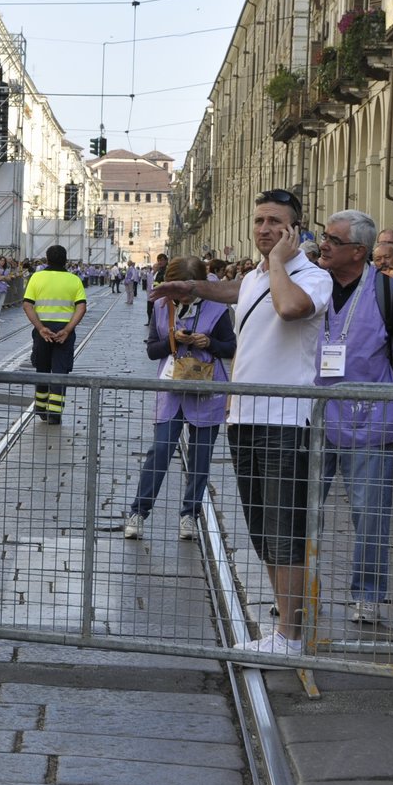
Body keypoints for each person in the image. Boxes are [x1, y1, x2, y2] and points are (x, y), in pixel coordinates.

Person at [151, 189, 333, 660]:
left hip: (287, 422)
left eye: (275, 222)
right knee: (261, 528)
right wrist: (193, 289)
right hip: (247, 417)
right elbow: (238, 292)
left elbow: (289, 308)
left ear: (295, 230)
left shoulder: (313, 278)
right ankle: (283, 623)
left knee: (284, 527)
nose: (264, 229)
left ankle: (291, 636)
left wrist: (278, 260)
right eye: (259, 221)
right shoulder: (257, 276)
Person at [312, 210, 393, 628]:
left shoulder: (387, 290)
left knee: (370, 514)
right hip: (314, 416)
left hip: (369, 420)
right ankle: (303, 587)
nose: (323, 244)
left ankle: (368, 595)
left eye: (332, 240)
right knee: (304, 507)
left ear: (357, 251)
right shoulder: (313, 283)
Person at [124, 256, 234, 542]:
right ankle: (139, 511)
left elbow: (230, 347)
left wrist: (208, 342)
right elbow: (151, 350)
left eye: (189, 291)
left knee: (200, 457)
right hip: (172, 388)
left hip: (206, 388)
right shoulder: (161, 306)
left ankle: (190, 514)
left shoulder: (217, 308)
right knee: (159, 450)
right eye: (180, 292)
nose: (184, 297)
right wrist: (175, 340)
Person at [22, 245, 87, 424]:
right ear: (65, 260)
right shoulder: (74, 280)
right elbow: (81, 307)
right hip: (63, 333)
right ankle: (55, 413)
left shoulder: (37, 277)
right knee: (60, 371)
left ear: (47, 259)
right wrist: (67, 330)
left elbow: (27, 304)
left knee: (41, 369)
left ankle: (41, 408)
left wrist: (40, 328)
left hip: (42, 331)